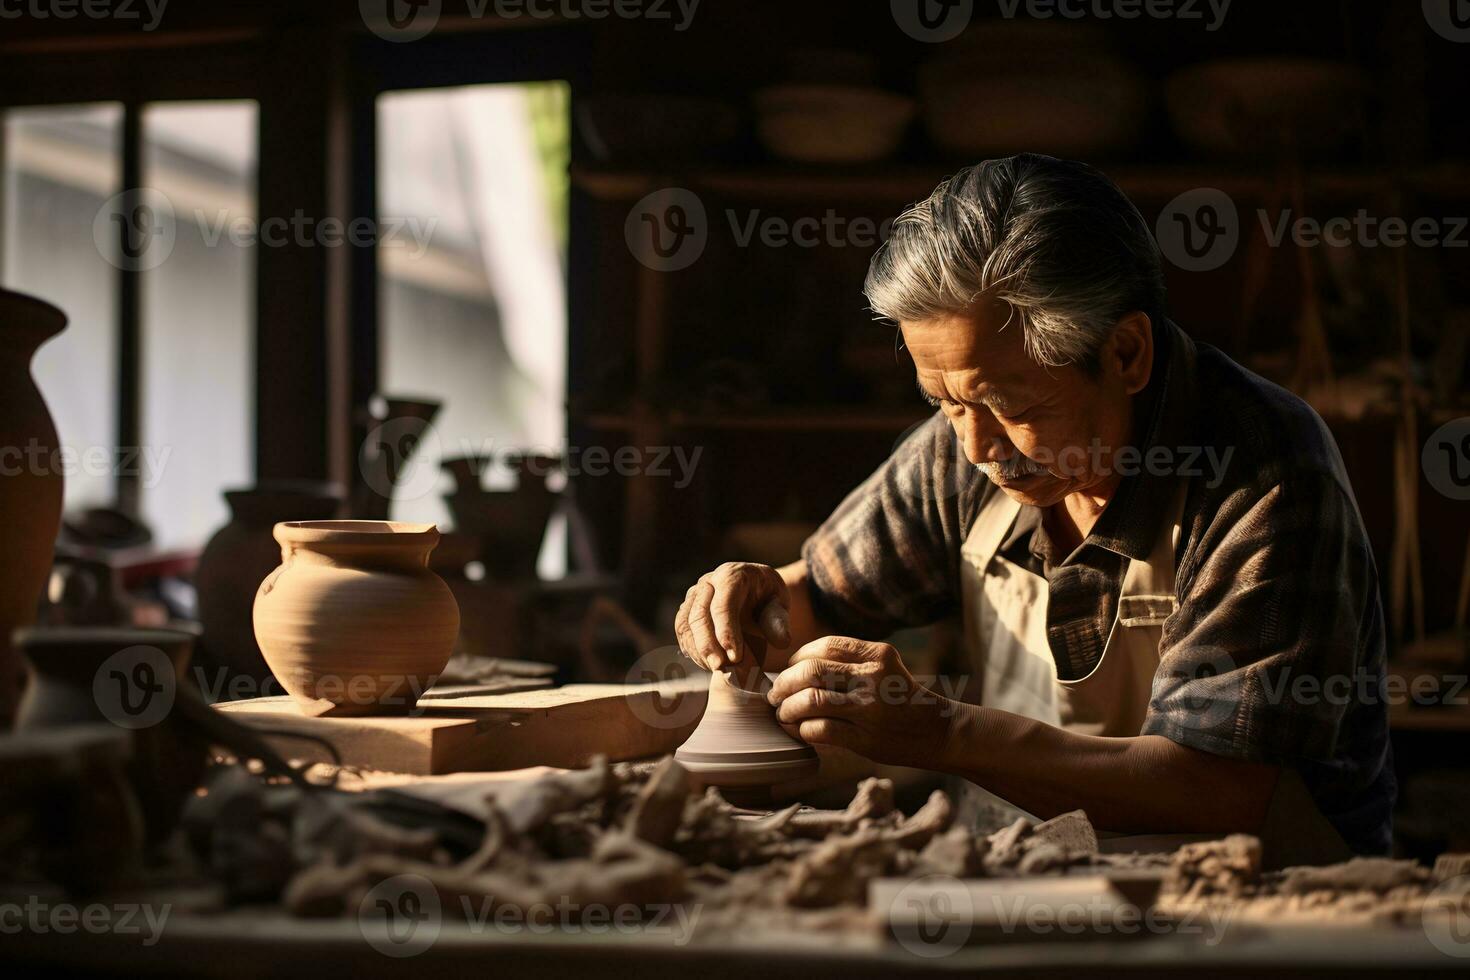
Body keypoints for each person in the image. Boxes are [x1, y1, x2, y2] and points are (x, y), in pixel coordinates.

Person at [674, 153, 1394, 859]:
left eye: (1011, 406)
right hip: (1022, 888)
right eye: (945, 403)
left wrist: (939, 732)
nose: (978, 445)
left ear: (1126, 354)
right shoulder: (965, 435)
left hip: (1255, 920)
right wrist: (751, 604)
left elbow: (1219, 789)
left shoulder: (1266, 478)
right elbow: (816, 602)